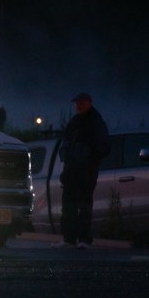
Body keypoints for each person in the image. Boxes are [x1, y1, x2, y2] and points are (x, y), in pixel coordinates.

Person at [56, 92, 110, 249]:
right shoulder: (74, 122)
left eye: (80, 103)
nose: (78, 106)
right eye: (76, 104)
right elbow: (66, 145)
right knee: (68, 206)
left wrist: (91, 161)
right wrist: (66, 167)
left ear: (88, 103)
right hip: (71, 170)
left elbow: (104, 146)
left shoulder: (95, 122)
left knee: (84, 206)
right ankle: (69, 239)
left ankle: (84, 239)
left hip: (86, 171)